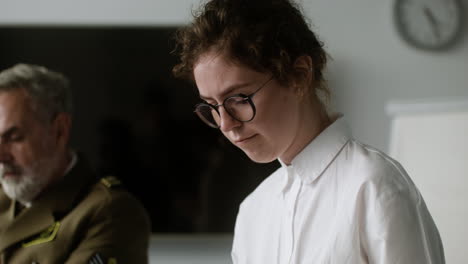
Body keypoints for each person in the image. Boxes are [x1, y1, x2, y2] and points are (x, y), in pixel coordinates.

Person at [172, 0, 445, 263]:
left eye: (240, 98)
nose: (225, 124)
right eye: (212, 106)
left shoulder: (374, 186)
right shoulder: (253, 211)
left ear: (299, 75)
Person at [0, 63, 151, 264]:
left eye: (14, 137)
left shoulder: (109, 212)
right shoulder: (4, 196)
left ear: (59, 131)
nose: (1, 156)